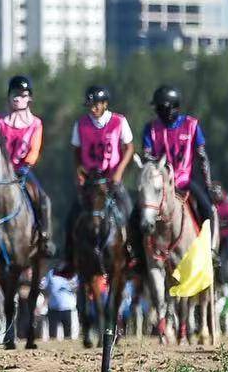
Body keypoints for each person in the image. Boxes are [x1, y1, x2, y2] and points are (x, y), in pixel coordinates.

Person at [67, 83, 133, 262]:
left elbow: (129, 148)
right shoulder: (81, 124)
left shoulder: (119, 121)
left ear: (105, 104)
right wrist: (79, 172)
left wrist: (119, 171)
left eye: (97, 104)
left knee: (128, 209)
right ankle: (68, 258)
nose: (93, 108)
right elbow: (76, 150)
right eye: (90, 105)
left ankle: (133, 252)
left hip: (111, 178)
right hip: (91, 180)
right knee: (73, 215)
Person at [0, 74, 53, 255]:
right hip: (1, 174)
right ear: (9, 97)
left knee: (43, 198)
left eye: (23, 94)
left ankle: (44, 236)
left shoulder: (35, 123)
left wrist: (26, 165)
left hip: (22, 171)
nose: (19, 98)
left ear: (30, 98)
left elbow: (34, 149)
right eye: (15, 94)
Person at [142, 85, 216, 229]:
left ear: (171, 108)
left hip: (185, 181)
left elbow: (202, 157)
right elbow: (146, 155)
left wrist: (208, 185)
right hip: (160, 182)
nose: (156, 111)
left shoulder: (191, 125)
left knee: (208, 210)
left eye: (159, 108)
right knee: (136, 216)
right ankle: (135, 250)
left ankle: (211, 248)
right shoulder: (150, 128)